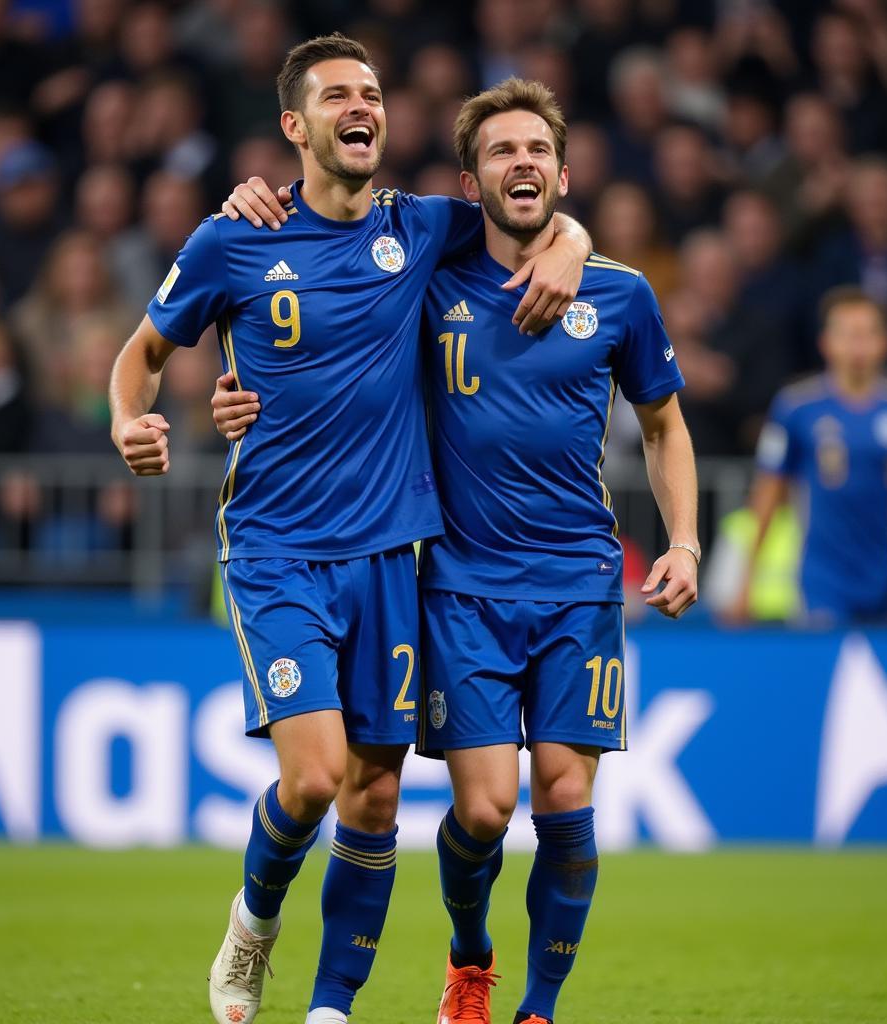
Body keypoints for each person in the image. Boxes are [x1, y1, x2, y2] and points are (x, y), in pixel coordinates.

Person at [108, 34, 590, 1024]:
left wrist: (575, 243)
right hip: (277, 549)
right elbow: (143, 351)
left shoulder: (417, 229)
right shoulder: (231, 239)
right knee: (316, 775)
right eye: (337, 94)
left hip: (390, 556)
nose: (362, 105)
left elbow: (528, 210)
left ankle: (330, 1011)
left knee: (373, 798)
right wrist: (130, 418)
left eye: (371, 91)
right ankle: (253, 921)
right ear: (296, 125)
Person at [215, 77, 699, 1024]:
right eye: (501, 152)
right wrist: (234, 367)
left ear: (564, 172)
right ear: (469, 186)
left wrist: (683, 540)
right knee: (482, 811)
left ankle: (537, 1008)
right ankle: (470, 954)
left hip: (579, 584)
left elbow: (664, 423)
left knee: (564, 801)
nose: (523, 163)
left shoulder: (621, 295)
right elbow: (319, 313)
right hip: (457, 585)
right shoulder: (423, 274)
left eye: (538, 151)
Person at [729, 287, 887, 625]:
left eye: (865, 335)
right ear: (825, 342)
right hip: (821, 580)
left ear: (885, 342)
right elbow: (768, 490)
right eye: (846, 335)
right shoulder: (797, 407)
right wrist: (746, 579)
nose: (856, 346)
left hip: (883, 577)